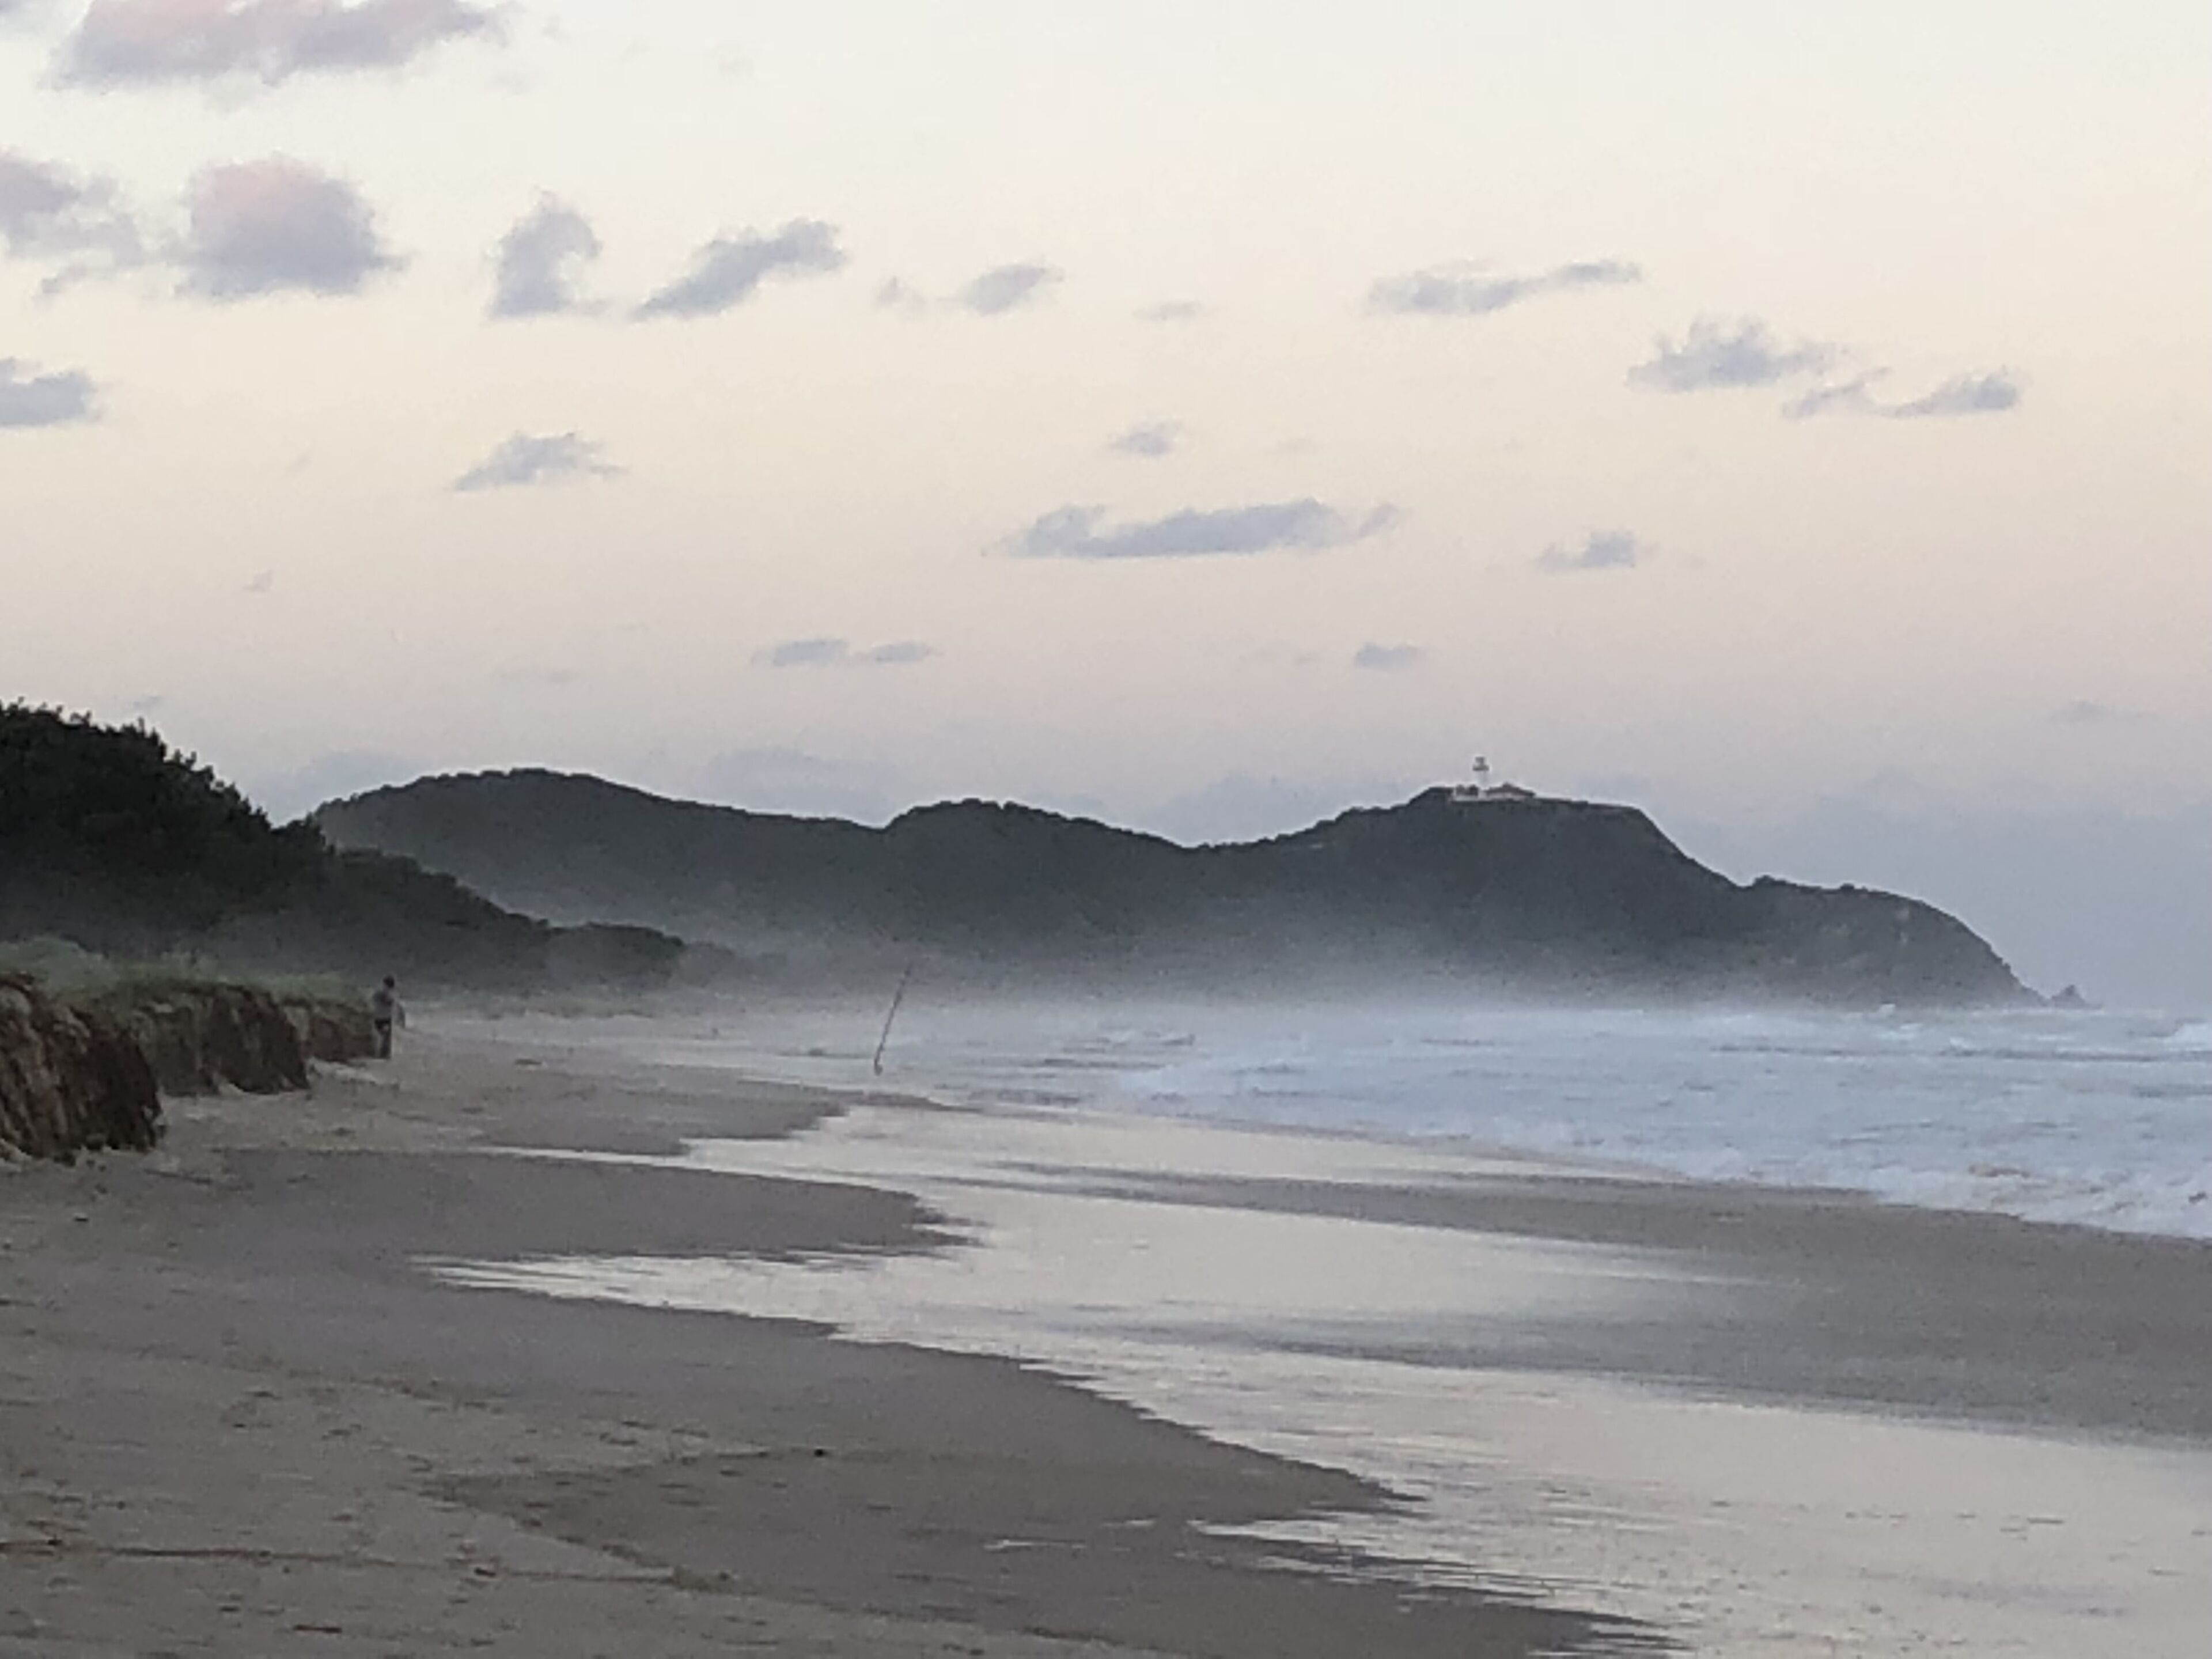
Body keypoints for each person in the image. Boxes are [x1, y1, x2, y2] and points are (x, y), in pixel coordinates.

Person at [369, 976, 402, 1059]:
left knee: (379, 1036)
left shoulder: (378, 992)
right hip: (385, 1017)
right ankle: (383, 1054)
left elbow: (372, 1000)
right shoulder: (388, 993)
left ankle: (379, 1053)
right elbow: (391, 1002)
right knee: (385, 1037)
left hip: (377, 1016)